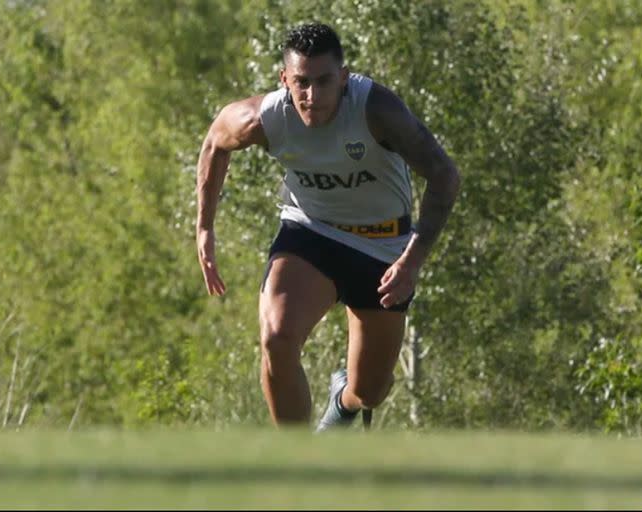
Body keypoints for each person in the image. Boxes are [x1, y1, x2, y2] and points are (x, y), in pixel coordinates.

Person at [196, 22, 460, 431]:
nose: (313, 96)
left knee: (369, 390)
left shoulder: (376, 110)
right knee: (276, 337)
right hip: (311, 235)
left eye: (324, 82)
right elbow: (215, 141)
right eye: (301, 83)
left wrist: (413, 260)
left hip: (383, 247)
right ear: (284, 79)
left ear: (344, 76)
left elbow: (444, 175)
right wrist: (205, 228)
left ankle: (343, 403)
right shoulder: (265, 118)